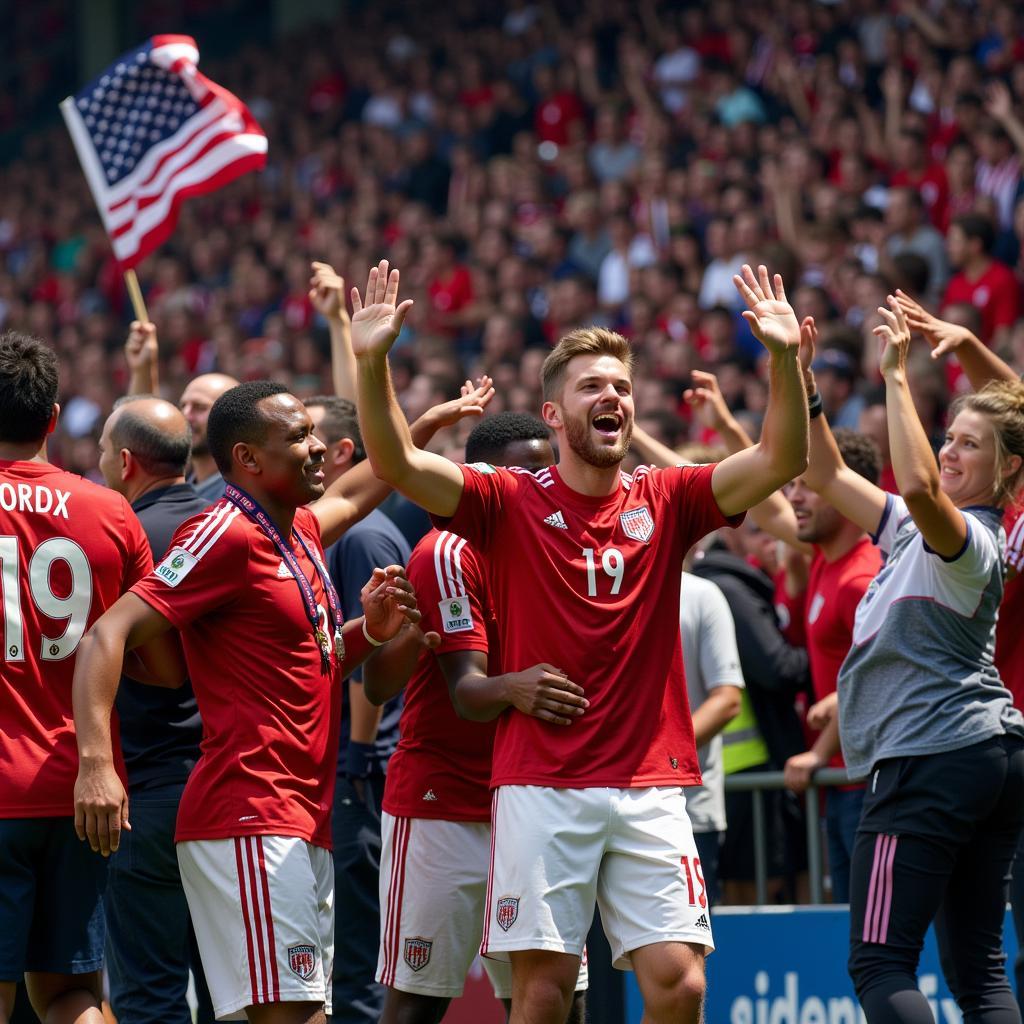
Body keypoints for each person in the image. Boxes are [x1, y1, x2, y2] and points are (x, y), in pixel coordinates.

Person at [350, 259, 808, 1024]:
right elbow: (396, 462)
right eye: (592, 386)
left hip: (649, 780)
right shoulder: (506, 501)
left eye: (622, 387)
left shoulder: (668, 498)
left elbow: (781, 460)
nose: (613, 397)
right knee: (541, 993)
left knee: (682, 983)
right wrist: (371, 362)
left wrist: (787, 359)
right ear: (554, 417)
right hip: (540, 785)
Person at [71, 380, 427, 1024]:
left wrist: (370, 632)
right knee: (293, 1017)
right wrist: (96, 763)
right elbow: (107, 634)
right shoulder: (224, 533)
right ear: (249, 460)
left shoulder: (301, 532)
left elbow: (358, 493)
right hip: (247, 814)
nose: (318, 447)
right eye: (297, 437)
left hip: (298, 815)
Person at [802, 296, 1024, 1022]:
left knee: (878, 964)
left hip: (929, 757)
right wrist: (795, 380)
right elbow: (830, 475)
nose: (951, 452)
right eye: (949, 437)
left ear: (1007, 469)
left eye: (969, 444)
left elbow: (922, 486)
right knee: (980, 974)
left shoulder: (971, 543)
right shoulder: (912, 533)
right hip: (981, 756)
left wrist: (896, 375)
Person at [362, 412, 587, 1024]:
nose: (542, 485)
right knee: (416, 1004)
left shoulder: (566, 549)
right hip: (445, 805)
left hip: (534, 800)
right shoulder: (448, 549)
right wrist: (513, 685)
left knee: (555, 1000)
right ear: (482, 478)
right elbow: (449, 692)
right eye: (528, 472)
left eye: (550, 471)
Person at [0, 331, 172, 1024]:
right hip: (82, 789)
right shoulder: (111, 512)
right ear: (53, 417)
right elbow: (162, 668)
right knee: (71, 994)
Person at [96, 389, 215, 1024]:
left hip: (145, 789)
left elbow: (137, 661)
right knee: (236, 994)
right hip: (226, 791)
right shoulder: (231, 525)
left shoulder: (121, 538)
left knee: (148, 996)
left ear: (124, 463)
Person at [304, 394, 411, 1024]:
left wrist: (356, 762)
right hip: (353, 771)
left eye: (315, 439)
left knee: (354, 964)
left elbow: (372, 655)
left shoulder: (363, 535)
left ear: (344, 451)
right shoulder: (349, 528)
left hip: (359, 775)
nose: (309, 453)